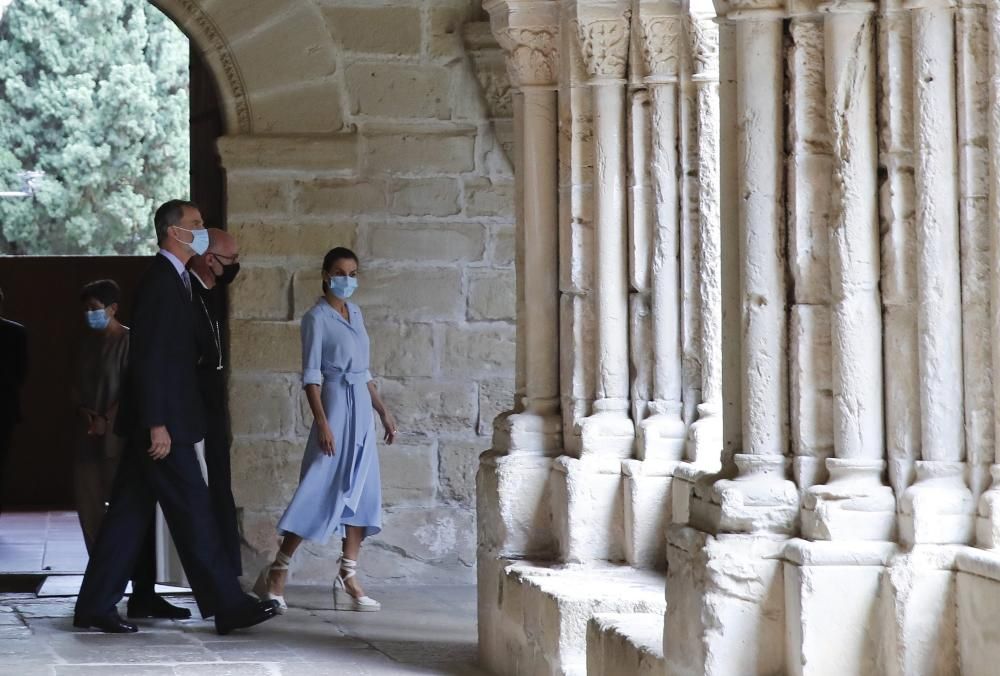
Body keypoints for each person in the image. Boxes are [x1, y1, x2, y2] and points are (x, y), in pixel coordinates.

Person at [73, 200, 278, 635]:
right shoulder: (160, 282)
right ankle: (228, 605)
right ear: (173, 232)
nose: (202, 230)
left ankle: (94, 604)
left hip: (165, 419)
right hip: (163, 427)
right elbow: (149, 359)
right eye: (196, 224)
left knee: (127, 517)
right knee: (195, 511)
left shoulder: (178, 279)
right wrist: (157, 422)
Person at [254, 247, 397, 614]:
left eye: (352, 273)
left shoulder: (357, 313)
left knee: (363, 492)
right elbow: (311, 376)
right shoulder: (315, 318)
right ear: (324, 275)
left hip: (362, 410)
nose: (346, 279)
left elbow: (363, 371)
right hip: (334, 406)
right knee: (318, 489)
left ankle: (347, 575)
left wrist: (382, 411)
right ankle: (278, 571)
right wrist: (322, 423)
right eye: (339, 272)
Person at [187, 228, 241, 574]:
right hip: (192, 412)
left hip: (210, 407)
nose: (235, 266)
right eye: (231, 260)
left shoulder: (210, 294)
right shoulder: (185, 294)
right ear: (210, 260)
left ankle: (225, 578)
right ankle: (220, 583)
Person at [71, 280, 129, 554]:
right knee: (88, 504)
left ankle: (120, 566)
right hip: (86, 434)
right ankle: (98, 566)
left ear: (113, 308)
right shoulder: (87, 344)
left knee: (120, 505)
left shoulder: (129, 341)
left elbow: (133, 388)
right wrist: (85, 413)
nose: (89, 315)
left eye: (95, 308)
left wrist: (107, 417)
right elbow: (75, 386)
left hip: (117, 437)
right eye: (86, 309)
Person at [0, 287, 27, 516]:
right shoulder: (16, 332)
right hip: (5, 405)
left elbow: (21, 372)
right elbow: (21, 372)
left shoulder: (16, 332)